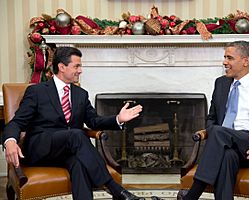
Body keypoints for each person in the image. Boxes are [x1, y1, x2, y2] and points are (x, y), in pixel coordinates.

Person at [2, 46, 148, 200]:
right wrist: (10, 140)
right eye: (76, 66)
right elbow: (17, 121)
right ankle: (115, 189)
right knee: (76, 134)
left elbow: (93, 121)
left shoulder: (81, 94)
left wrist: (118, 119)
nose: (80, 70)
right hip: (41, 148)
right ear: (62, 67)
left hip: (68, 151)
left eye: (81, 66)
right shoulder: (37, 91)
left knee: (79, 164)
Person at [177, 41, 249, 200]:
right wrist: (216, 133)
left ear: (246, 61)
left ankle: (192, 195)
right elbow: (211, 119)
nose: (224, 62)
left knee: (219, 132)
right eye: (224, 57)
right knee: (227, 155)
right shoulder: (221, 83)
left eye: (230, 58)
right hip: (226, 145)